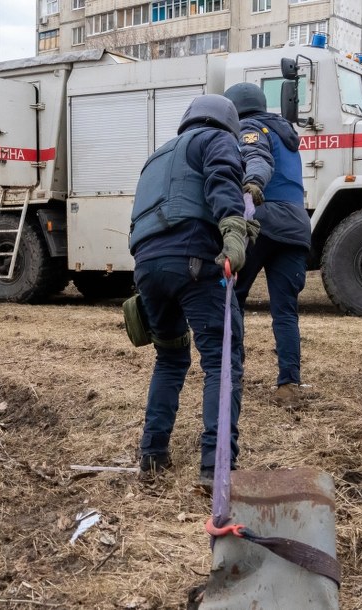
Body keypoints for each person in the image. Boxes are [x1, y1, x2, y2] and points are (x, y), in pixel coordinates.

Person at [129, 94, 248, 488]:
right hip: (194, 258)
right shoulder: (217, 139)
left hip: (147, 267)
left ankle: (152, 454)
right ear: (228, 124)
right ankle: (215, 467)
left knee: (170, 358)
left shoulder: (157, 156)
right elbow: (222, 182)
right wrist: (234, 231)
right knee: (221, 360)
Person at [223, 83, 312, 409]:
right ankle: (289, 383)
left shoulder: (249, 127)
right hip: (296, 226)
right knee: (285, 312)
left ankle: (231, 375)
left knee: (232, 299)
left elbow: (256, 157)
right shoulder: (287, 135)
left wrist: (253, 183)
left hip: (262, 220)